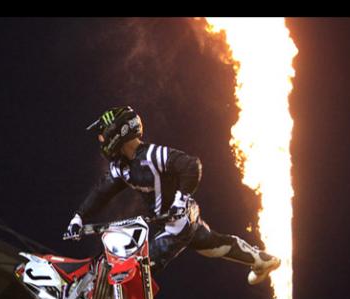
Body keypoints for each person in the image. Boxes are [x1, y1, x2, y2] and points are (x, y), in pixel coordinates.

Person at [64, 106, 280, 285]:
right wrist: (79, 217)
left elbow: (191, 165)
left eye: (103, 135)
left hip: (179, 220)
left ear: (118, 132)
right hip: (172, 219)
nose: (101, 140)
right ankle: (262, 260)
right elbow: (102, 191)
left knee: (138, 268)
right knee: (213, 246)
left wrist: (180, 199)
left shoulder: (153, 155)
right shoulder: (121, 167)